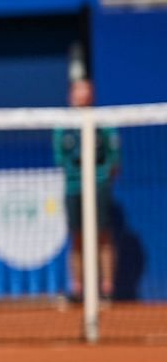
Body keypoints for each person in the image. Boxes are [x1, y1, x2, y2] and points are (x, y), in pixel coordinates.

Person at [53, 77, 119, 302]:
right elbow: (60, 158)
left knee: (103, 236)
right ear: (71, 95)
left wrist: (99, 177)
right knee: (77, 237)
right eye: (77, 91)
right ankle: (79, 291)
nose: (81, 96)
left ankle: (107, 290)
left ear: (91, 95)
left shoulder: (103, 123)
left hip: (99, 186)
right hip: (73, 188)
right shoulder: (63, 125)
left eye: (85, 91)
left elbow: (114, 159)